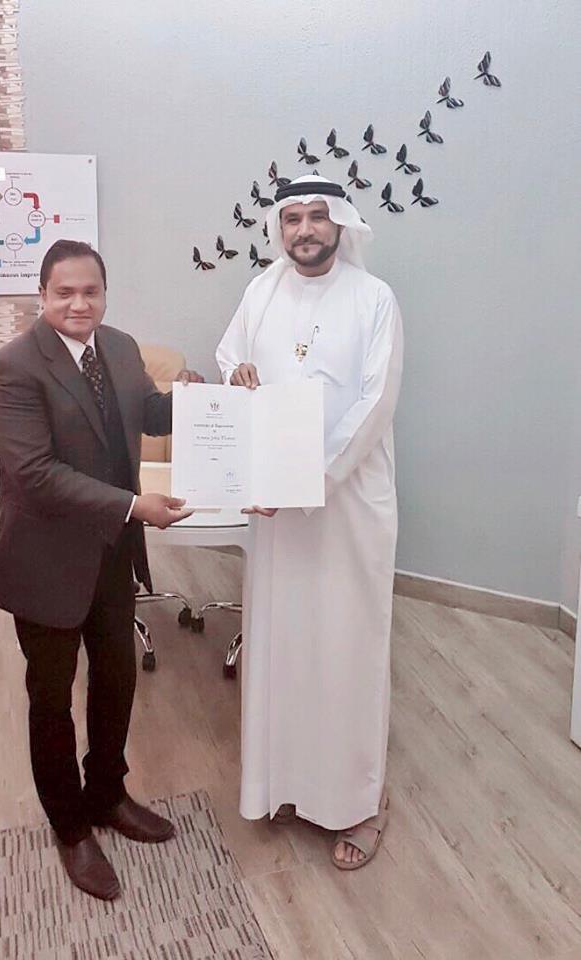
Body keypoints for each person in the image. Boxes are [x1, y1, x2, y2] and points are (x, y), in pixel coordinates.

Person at [0, 239, 203, 899]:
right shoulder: (11, 369)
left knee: (116, 679)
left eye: (90, 291)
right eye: (64, 292)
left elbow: (146, 414)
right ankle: (71, 826)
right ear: (42, 295)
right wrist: (135, 505)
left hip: (111, 552)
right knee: (52, 699)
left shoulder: (122, 348)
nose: (79, 304)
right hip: (46, 560)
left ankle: (108, 793)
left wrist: (197, 397)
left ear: (104, 294)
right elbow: (35, 475)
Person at [216, 175, 403, 869]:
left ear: (341, 224)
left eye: (317, 217)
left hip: (345, 504)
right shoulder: (261, 290)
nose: (304, 230)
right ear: (279, 228)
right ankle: (285, 786)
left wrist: (312, 481)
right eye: (292, 218)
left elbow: (375, 402)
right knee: (282, 643)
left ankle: (358, 804)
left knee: (345, 646)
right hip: (276, 508)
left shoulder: (373, 298)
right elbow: (230, 356)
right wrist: (236, 374)